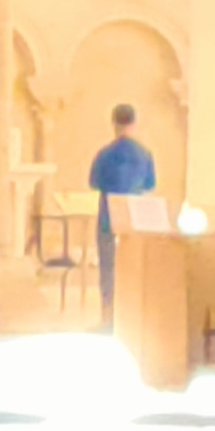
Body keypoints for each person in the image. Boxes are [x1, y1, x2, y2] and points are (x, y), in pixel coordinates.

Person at [87, 109, 158, 305]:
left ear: (114, 124)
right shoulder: (144, 154)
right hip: (134, 217)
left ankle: (108, 314)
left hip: (108, 217)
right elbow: (150, 184)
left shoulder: (104, 154)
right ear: (134, 124)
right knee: (133, 269)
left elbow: (94, 182)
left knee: (108, 268)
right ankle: (131, 313)